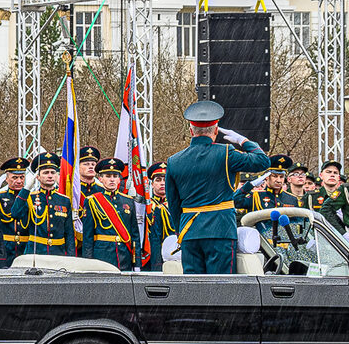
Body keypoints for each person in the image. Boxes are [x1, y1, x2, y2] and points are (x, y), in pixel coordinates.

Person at [162, 101, 271, 274]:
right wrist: (243, 141)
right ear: (215, 130)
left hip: (190, 232)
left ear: (191, 131)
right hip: (220, 231)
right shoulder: (226, 153)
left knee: (194, 288)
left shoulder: (174, 161)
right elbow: (263, 161)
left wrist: (181, 232)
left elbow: (173, 203)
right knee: (221, 288)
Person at [82, 158, 141, 269]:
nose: (112, 180)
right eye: (108, 176)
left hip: (125, 255)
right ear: (100, 179)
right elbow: (88, 237)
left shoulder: (128, 201)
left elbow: (135, 235)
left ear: (119, 179)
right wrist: (88, 262)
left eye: (115, 176)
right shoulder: (92, 201)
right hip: (102, 257)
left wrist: (137, 262)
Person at [11, 153, 73, 255]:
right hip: (36, 252)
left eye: (53, 172)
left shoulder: (64, 200)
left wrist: (71, 257)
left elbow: (69, 232)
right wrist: (26, 189)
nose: (50, 175)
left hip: (58, 252)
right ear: (38, 177)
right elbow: (15, 213)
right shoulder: (30, 198)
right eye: (45, 173)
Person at [0, 157, 29, 268]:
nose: (19, 181)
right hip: (6, 249)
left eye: (22, 177)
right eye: (15, 177)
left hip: (25, 249)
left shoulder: (30, 198)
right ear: (6, 179)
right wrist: (0, 255)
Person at [142, 162, 170, 271]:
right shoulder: (145, 205)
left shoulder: (176, 205)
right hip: (150, 253)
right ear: (152, 184)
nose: (162, 183)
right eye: (158, 180)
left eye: (165, 180)